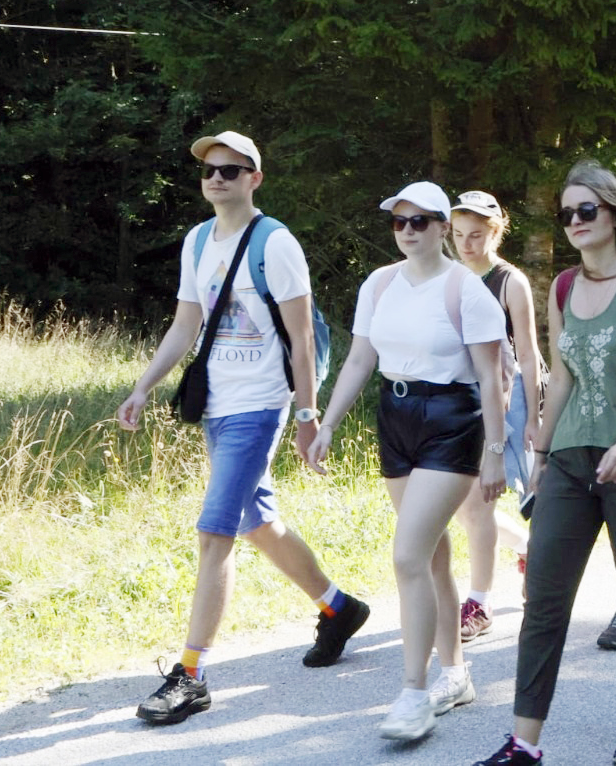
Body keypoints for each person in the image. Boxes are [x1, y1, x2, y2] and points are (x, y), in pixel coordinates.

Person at [116, 132, 368, 725]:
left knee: (215, 532)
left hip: (261, 404)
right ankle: (339, 608)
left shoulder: (275, 242)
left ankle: (191, 675)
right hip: (216, 403)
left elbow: (301, 338)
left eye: (231, 170)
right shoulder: (197, 240)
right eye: (209, 170)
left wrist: (306, 414)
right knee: (256, 519)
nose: (217, 178)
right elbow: (186, 324)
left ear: (255, 178)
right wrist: (143, 386)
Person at [472, 161, 616, 766]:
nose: (575, 221)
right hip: (571, 462)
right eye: (566, 213)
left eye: (586, 210)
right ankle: (524, 743)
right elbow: (563, 378)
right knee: (544, 603)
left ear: (613, 213)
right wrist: (541, 454)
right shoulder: (562, 288)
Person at [308, 182, 507, 741]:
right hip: (395, 419)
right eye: (399, 222)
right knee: (433, 557)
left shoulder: (466, 290)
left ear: (444, 227)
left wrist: (495, 452)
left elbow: (491, 377)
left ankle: (413, 693)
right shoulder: (379, 284)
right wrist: (327, 424)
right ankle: (456, 675)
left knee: (407, 556)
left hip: (452, 420)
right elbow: (359, 359)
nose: (408, 231)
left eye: (420, 221)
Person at [447, 190, 541, 642]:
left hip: (501, 403)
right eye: (458, 234)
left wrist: (533, 417)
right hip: (453, 403)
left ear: (496, 231)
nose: (466, 244)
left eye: (476, 235)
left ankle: (479, 603)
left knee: (477, 503)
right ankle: (527, 548)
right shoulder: (448, 277)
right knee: (461, 507)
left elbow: (528, 353)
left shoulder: (509, 282)